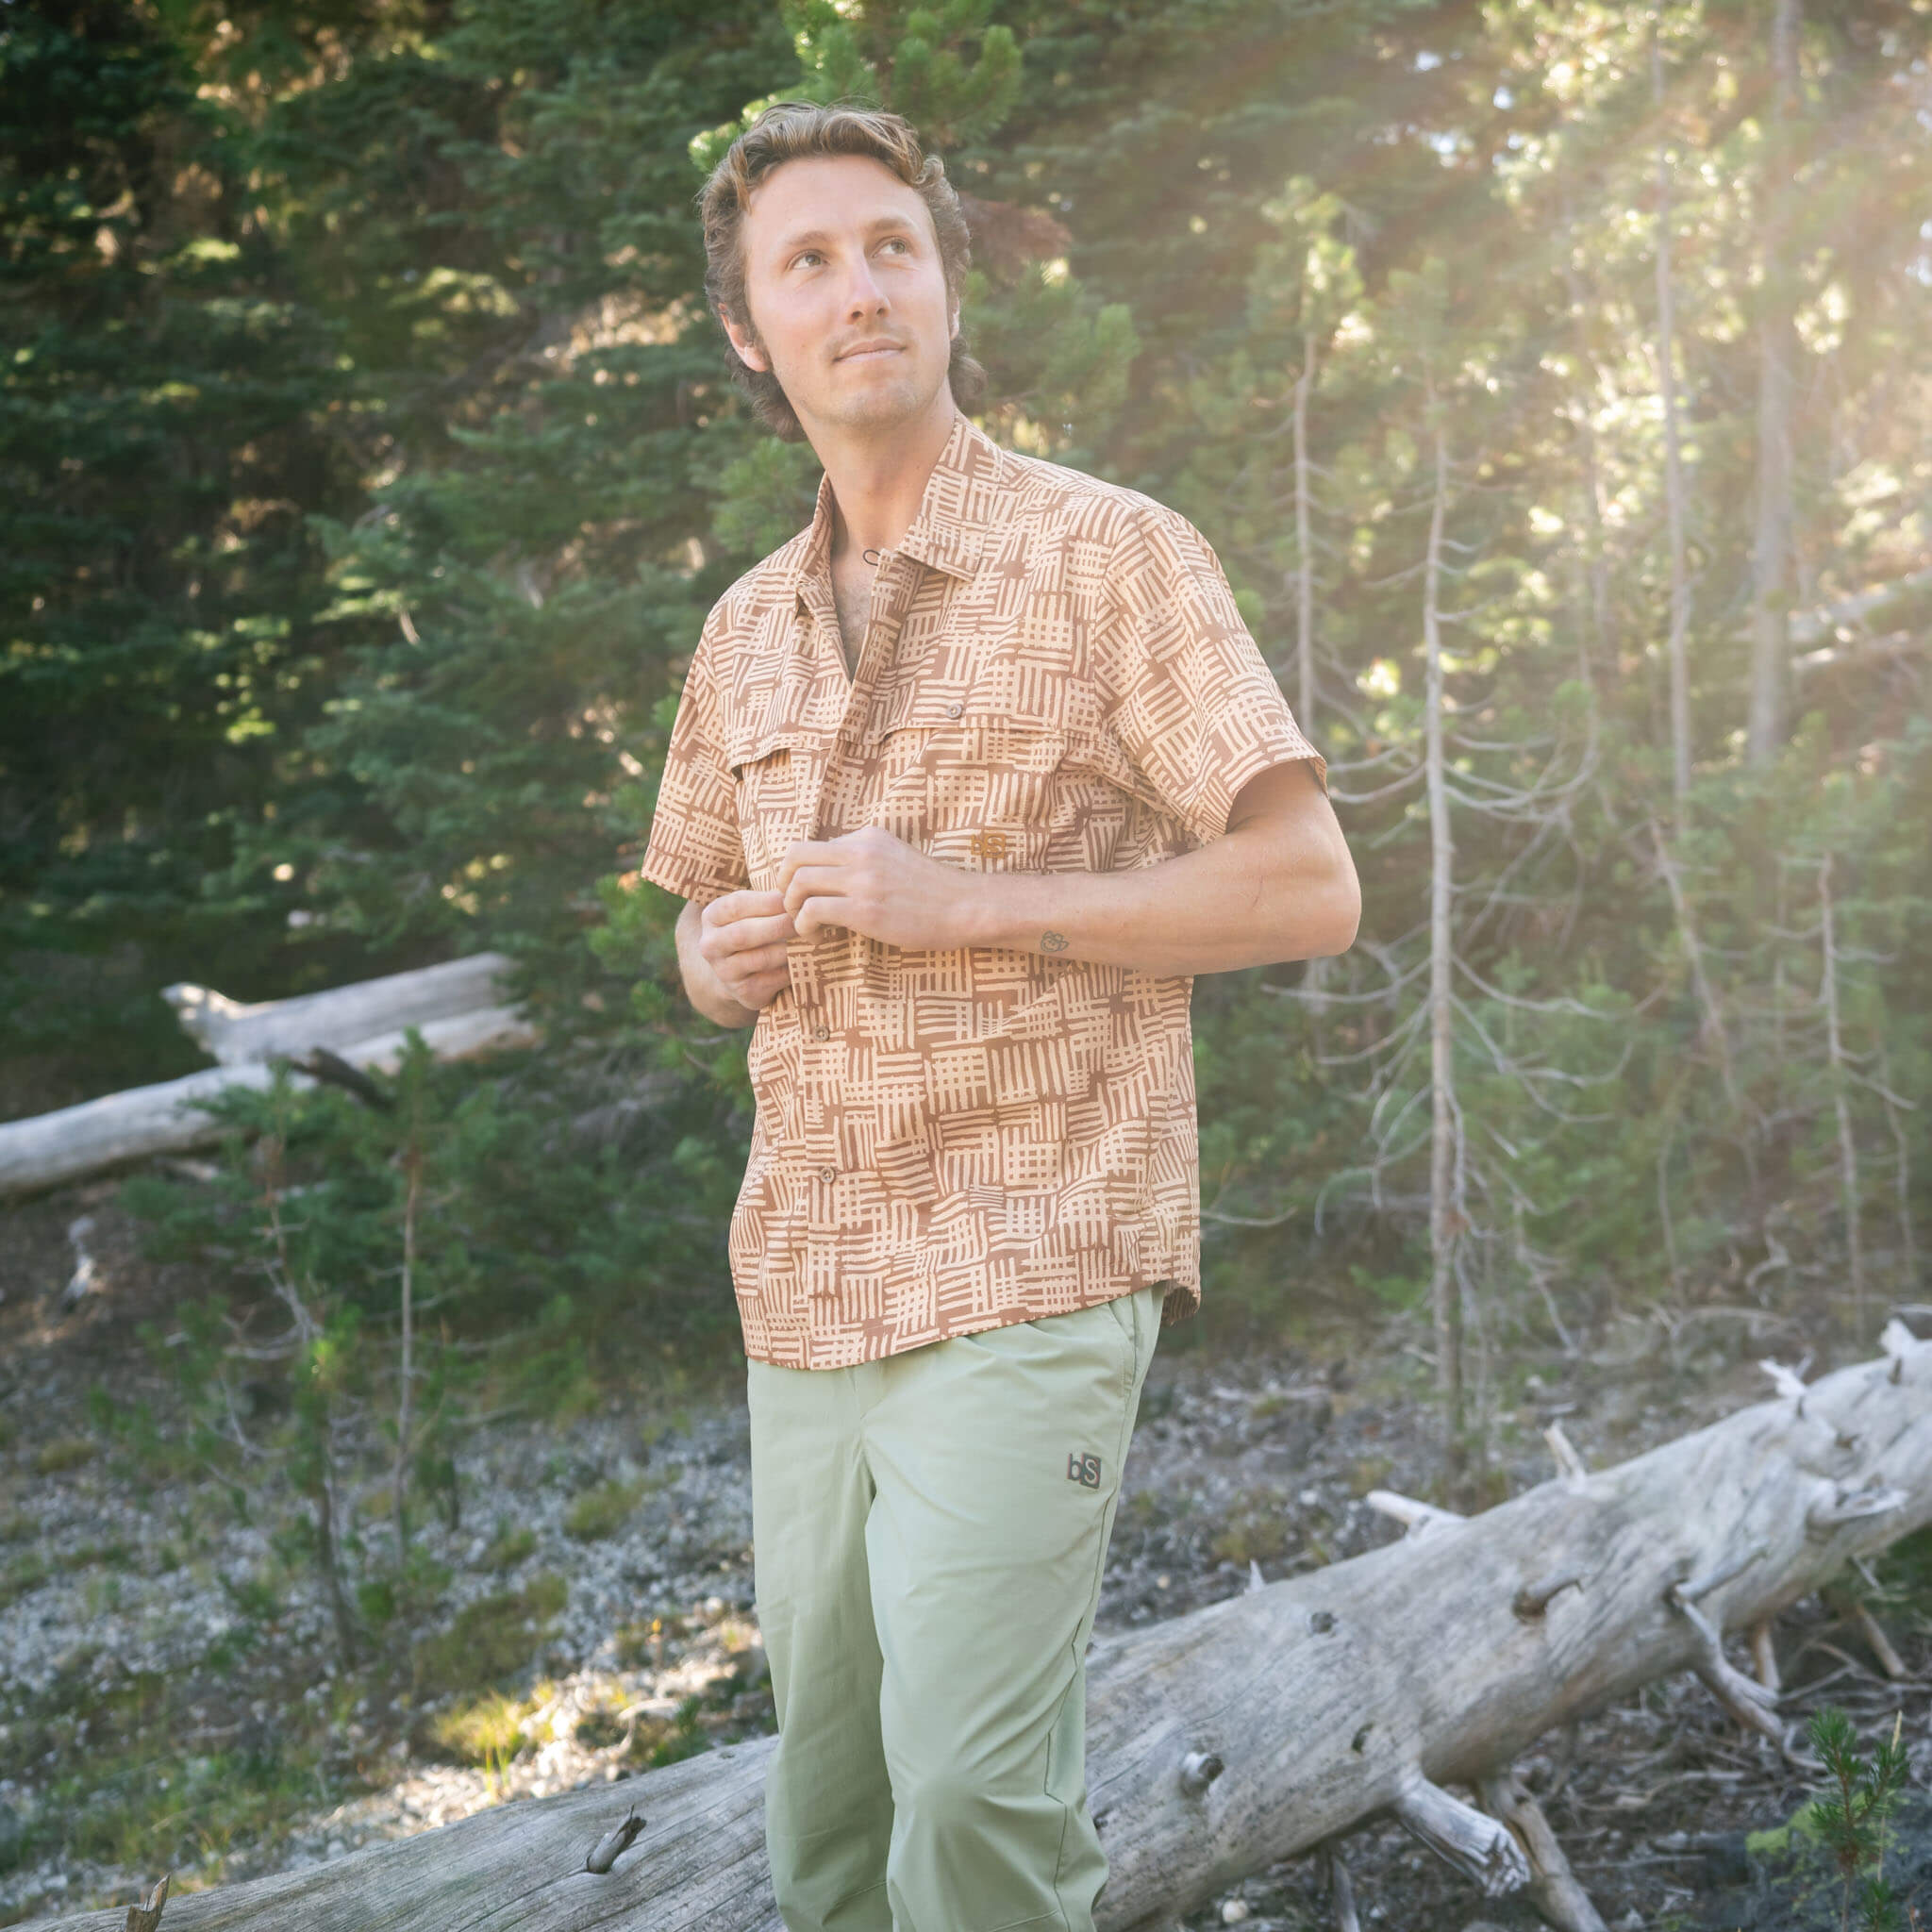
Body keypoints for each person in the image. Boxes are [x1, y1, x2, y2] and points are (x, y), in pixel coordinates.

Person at [636, 99, 1359, 1932]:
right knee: (832, 1823)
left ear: (949, 284)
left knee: (972, 1804)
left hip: (1038, 1252)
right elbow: (695, 920)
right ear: (750, 330)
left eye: (893, 245)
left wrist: (971, 904)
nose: (858, 287)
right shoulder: (742, 629)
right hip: (805, 1281)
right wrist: (710, 960)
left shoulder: (1110, 556)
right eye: (806, 260)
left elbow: (1306, 887)